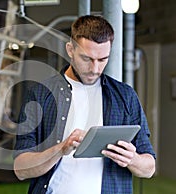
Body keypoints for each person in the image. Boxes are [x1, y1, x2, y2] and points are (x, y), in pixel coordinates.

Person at [13, 15, 156, 194]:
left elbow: (149, 168)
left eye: (103, 59)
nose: (95, 69)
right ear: (70, 49)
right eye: (87, 59)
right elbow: (20, 168)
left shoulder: (125, 96)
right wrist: (60, 149)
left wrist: (132, 159)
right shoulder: (40, 93)